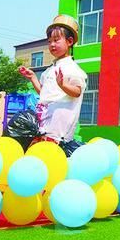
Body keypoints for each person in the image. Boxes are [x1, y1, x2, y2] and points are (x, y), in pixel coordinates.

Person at [18, 15, 87, 145]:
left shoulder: (72, 68)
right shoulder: (49, 70)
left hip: (59, 128)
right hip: (43, 123)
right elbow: (44, 93)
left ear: (70, 41)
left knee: (53, 153)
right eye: (49, 41)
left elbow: (77, 92)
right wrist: (33, 77)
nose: (52, 45)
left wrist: (63, 85)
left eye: (56, 40)